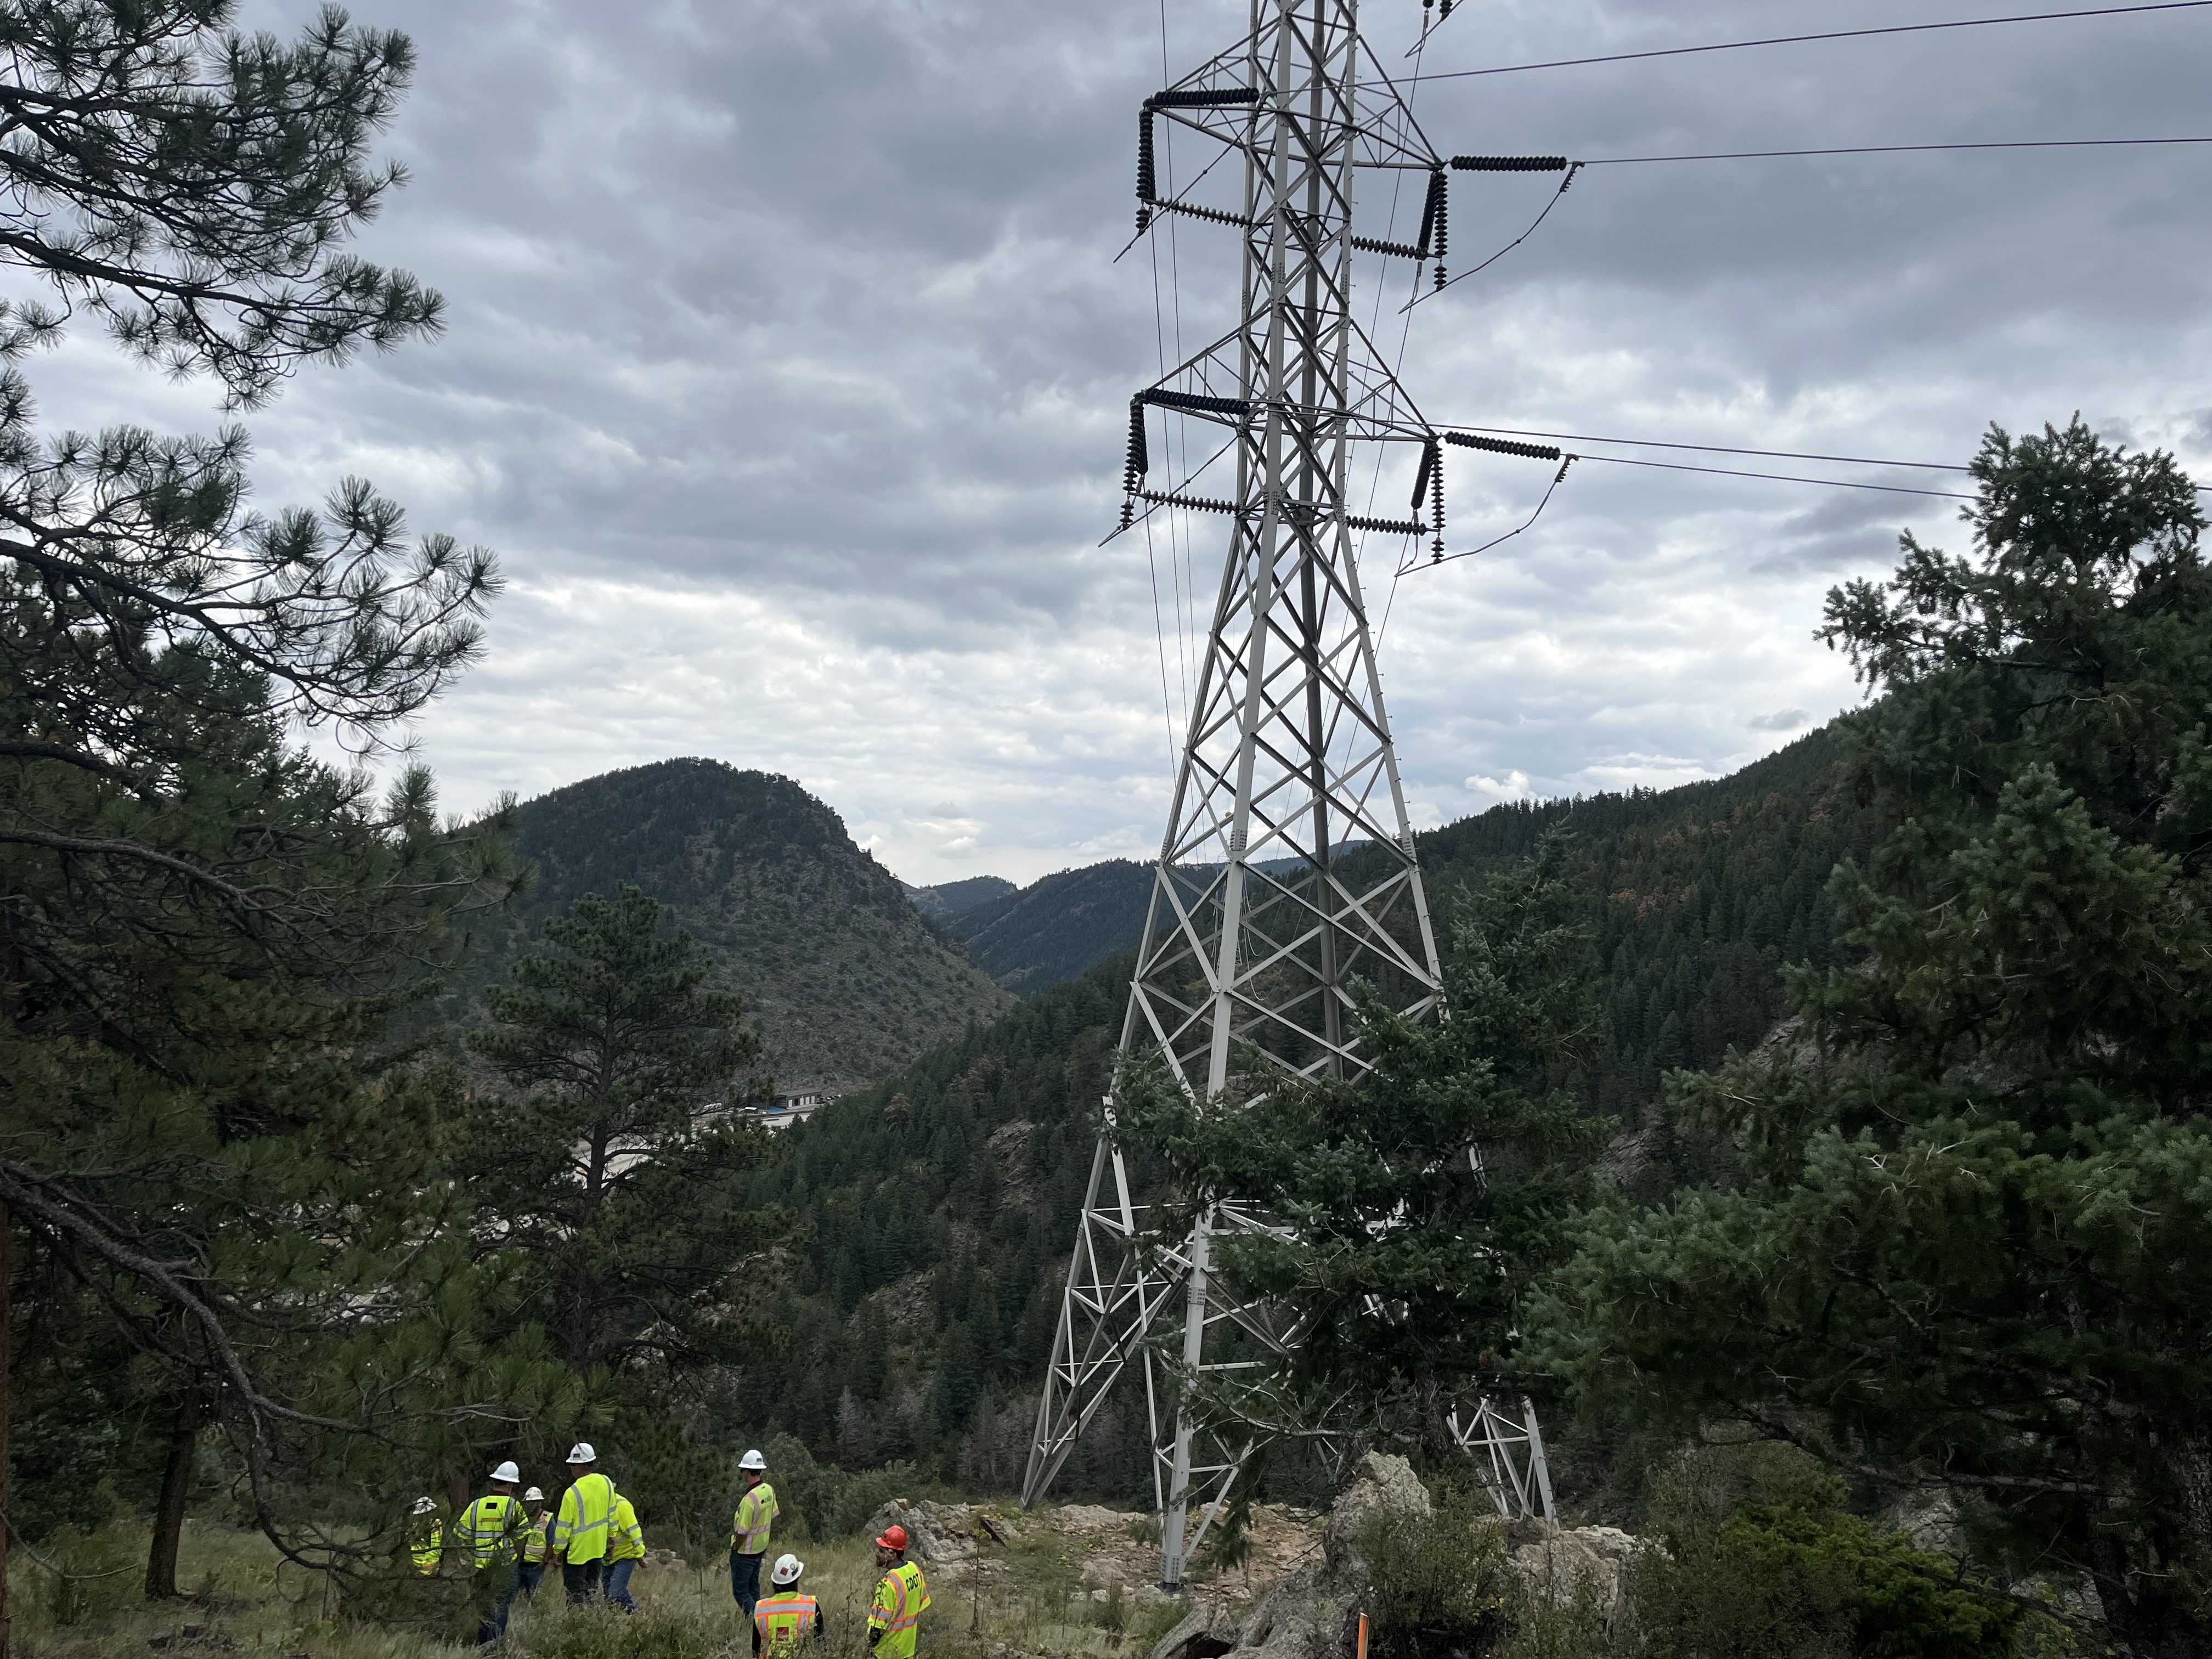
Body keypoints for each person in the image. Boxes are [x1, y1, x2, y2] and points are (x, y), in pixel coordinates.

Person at [455, 1460, 531, 1644]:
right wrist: (515, 1559)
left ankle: (483, 1647)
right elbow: (522, 1538)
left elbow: (460, 1536)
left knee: (485, 1610)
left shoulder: (476, 1506)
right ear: (511, 1485)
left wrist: (469, 1559)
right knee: (501, 1608)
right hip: (505, 1567)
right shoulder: (513, 1507)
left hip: (480, 1569)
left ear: (495, 1481)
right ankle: (493, 1648)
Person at [550, 1441, 618, 1604]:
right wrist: (612, 1535)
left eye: (573, 1465)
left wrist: (558, 1551)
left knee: (576, 1595)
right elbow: (612, 1512)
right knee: (591, 1592)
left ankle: (577, 1626)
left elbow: (563, 1527)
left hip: (577, 1554)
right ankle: (589, 1625)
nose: (571, 1469)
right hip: (598, 1549)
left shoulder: (572, 1492)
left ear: (579, 1466)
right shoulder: (606, 1482)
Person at [727, 1448, 778, 1624]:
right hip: (760, 1549)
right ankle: (759, 1621)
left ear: (748, 1472)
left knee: (741, 1592)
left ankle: (759, 1621)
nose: (742, 1474)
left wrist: (736, 1547)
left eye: (743, 1471)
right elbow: (772, 1515)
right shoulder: (769, 1490)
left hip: (745, 1552)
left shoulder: (750, 1499)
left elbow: (741, 1532)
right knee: (754, 1588)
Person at [866, 1524, 929, 1658]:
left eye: (881, 1551)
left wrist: (868, 1648)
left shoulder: (888, 1584)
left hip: (885, 1653)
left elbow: (878, 1628)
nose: (877, 1553)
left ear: (893, 1554)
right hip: (907, 1651)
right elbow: (920, 1604)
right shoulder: (915, 1570)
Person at [752, 1553, 824, 1656]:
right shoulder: (811, 1605)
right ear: (797, 1579)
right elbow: (821, 1644)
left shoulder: (760, 1609)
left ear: (774, 1582)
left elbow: (755, 1650)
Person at [605, 1487, 646, 1612]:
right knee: (606, 1596)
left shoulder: (621, 1506)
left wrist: (639, 1554)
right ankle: (615, 1623)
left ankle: (635, 1613)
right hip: (606, 1558)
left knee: (616, 1592)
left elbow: (634, 1531)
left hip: (625, 1555)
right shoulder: (595, 1507)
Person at [516, 1487, 554, 1600]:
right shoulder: (522, 1518)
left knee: (534, 1598)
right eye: (528, 1502)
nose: (530, 1505)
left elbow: (551, 1542)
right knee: (512, 1597)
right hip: (519, 1564)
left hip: (536, 1566)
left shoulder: (547, 1519)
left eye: (532, 1502)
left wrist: (545, 1562)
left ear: (539, 1503)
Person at [408, 1496, 444, 1576]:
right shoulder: (436, 1524)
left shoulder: (412, 1527)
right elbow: (437, 1544)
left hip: (418, 1565)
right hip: (432, 1564)